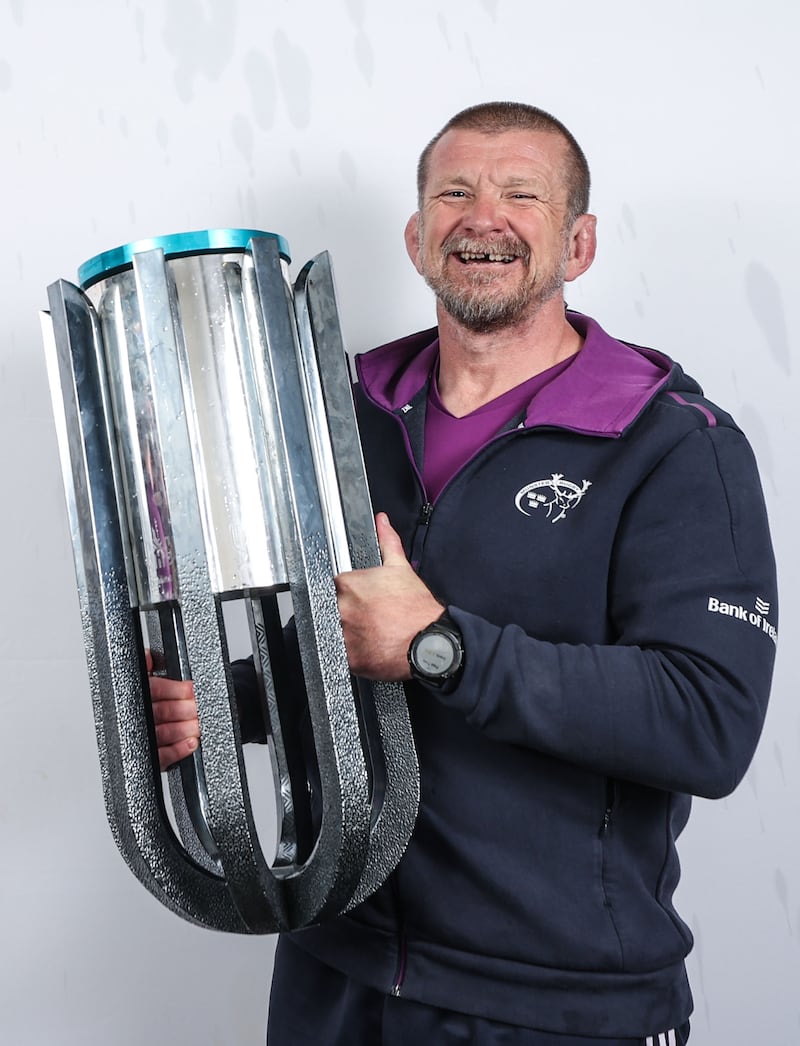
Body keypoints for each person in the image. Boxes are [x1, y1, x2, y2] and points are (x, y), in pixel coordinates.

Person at [150, 102, 777, 1045]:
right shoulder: (344, 415)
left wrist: (438, 647)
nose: (483, 218)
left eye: (521, 194)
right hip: (336, 965)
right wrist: (227, 701)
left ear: (581, 241)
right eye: (455, 193)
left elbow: (708, 721)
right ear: (416, 236)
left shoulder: (673, 447)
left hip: (553, 1003)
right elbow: (339, 639)